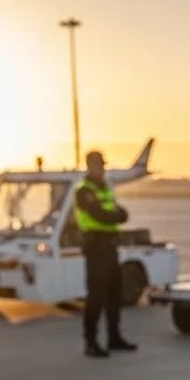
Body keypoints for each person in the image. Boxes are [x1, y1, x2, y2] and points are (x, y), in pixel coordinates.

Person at [75, 150, 136, 358]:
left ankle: (114, 337)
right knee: (95, 297)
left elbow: (120, 212)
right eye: (98, 165)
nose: (101, 169)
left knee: (114, 294)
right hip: (96, 247)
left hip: (110, 246)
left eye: (102, 165)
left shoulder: (105, 187)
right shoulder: (84, 191)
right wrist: (116, 216)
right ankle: (90, 342)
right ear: (90, 166)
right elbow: (100, 215)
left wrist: (116, 215)